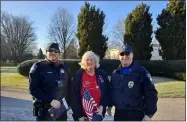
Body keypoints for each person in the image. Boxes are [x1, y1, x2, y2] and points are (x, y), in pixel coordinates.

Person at [107, 44, 158, 121]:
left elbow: (151, 94)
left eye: (127, 53)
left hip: (136, 113)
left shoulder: (141, 71)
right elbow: (112, 91)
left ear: (132, 55)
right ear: (119, 56)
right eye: (122, 54)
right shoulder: (115, 73)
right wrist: (110, 105)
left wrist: (149, 114)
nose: (124, 56)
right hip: (119, 113)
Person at [29, 42, 71, 121]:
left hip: (61, 111)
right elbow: (33, 89)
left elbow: (69, 86)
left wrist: (69, 103)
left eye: (56, 51)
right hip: (44, 111)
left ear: (59, 53)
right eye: (51, 50)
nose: (53, 53)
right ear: (46, 51)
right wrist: (50, 100)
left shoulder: (64, 67)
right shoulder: (38, 67)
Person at [71, 51, 110, 121]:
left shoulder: (102, 74)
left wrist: (102, 106)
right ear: (83, 62)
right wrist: (79, 115)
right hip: (82, 116)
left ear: (95, 62)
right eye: (87, 60)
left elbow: (107, 92)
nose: (89, 62)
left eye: (91, 60)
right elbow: (74, 96)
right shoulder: (78, 75)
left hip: (97, 115)